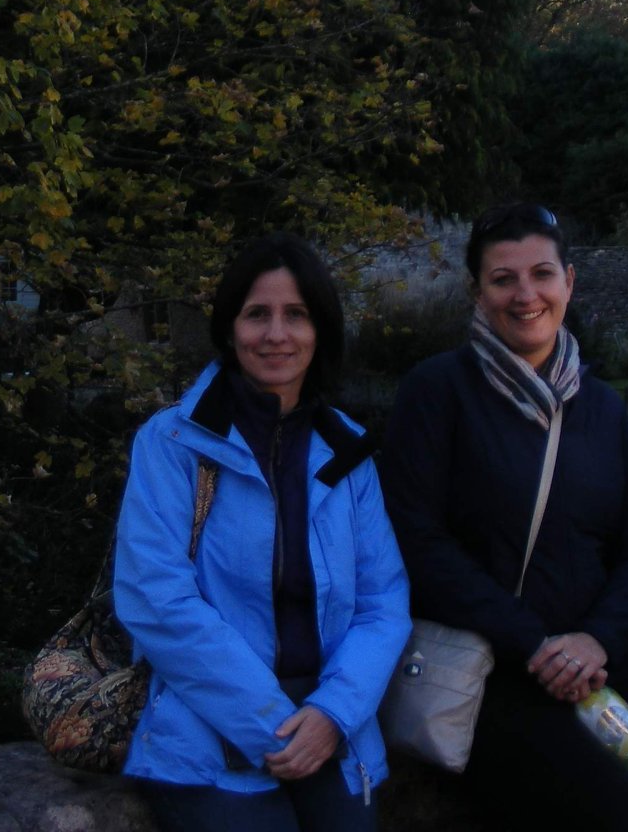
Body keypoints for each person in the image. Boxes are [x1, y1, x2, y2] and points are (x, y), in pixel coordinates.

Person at [381, 203, 628, 831]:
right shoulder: (437, 392)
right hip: (494, 680)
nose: (525, 295)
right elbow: (417, 540)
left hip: (599, 680)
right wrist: (534, 645)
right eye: (503, 279)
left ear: (570, 282)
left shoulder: (600, 407)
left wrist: (597, 639)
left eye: (542, 274)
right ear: (476, 292)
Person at [114, 232, 411, 831]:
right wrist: (272, 723)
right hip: (207, 722)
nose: (276, 334)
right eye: (257, 314)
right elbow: (156, 598)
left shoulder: (348, 451)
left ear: (319, 330)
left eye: (296, 314)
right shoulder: (173, 444)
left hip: (329, 718)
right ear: (230, 329)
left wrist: (334, 713)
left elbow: (383, 602)